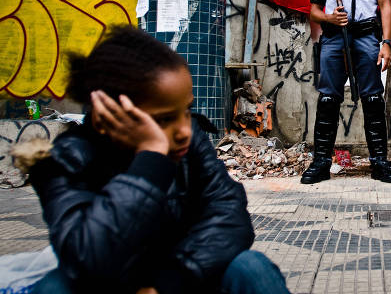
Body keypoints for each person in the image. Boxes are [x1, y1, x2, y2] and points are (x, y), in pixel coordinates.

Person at [20, 26, 290, 294]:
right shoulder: (69, 160)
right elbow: (87, 257)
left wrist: (169, 282)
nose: (184, 130)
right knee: (54, 288)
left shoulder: (190, 144)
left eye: (185, 111)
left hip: (179, 277)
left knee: (249, 267)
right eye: (163, 120)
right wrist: (150, 161)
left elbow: (230, 219)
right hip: (110, 284)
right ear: (108, 117)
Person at [301, 0, 391, 184]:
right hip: (334, 39)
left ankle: (380, 163)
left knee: (371, 98)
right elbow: (313, 11)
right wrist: (329, 18)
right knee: (327, 99)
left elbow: (385, 6)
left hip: (367, 37)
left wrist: (386, 43)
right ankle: (321, 163)